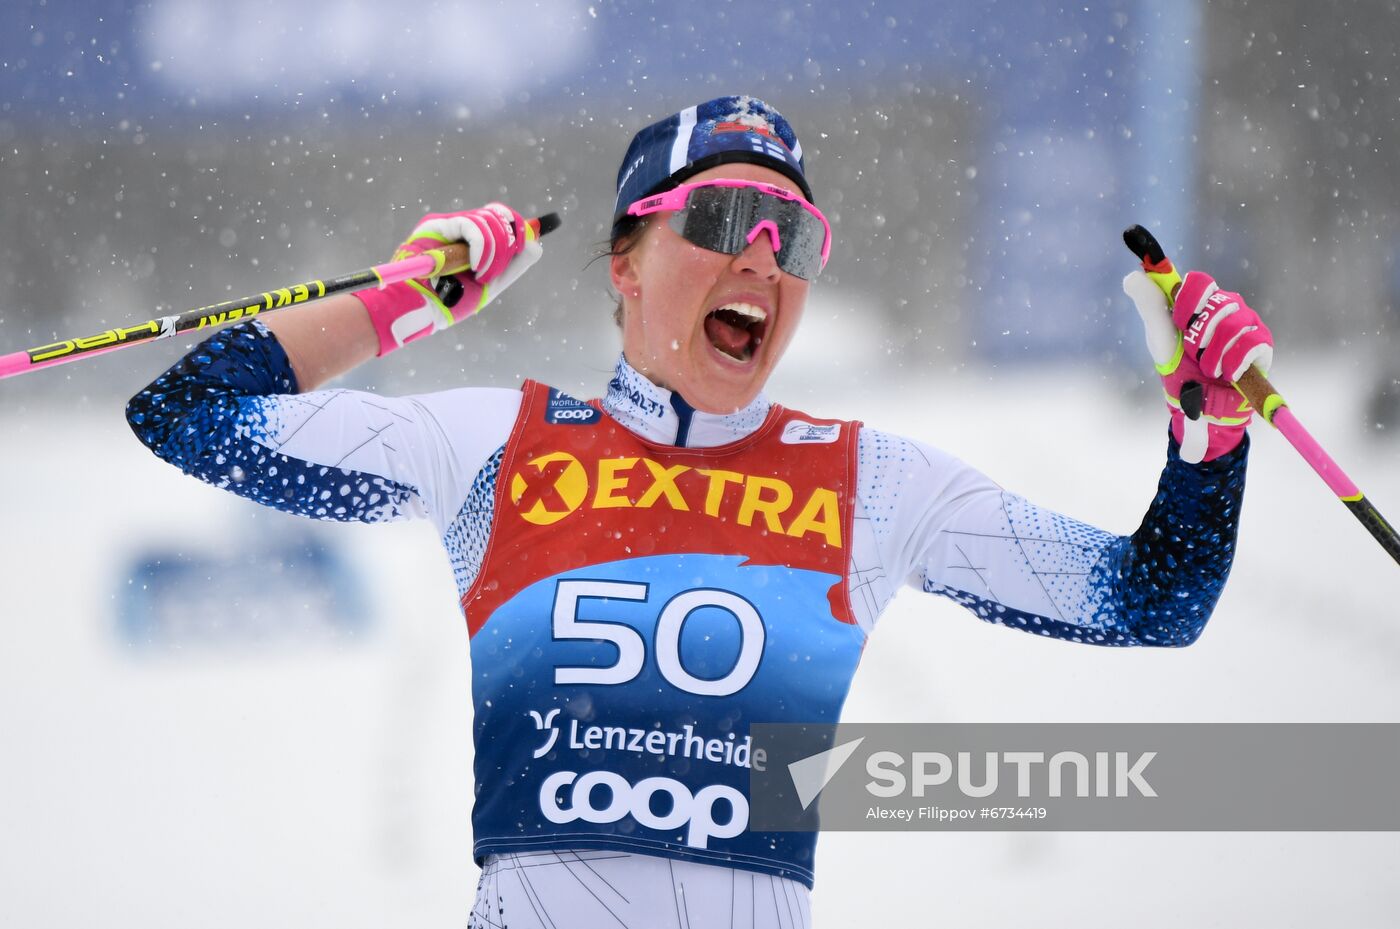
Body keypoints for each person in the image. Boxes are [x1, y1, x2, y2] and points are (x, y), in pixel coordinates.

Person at [126, 95, 1272, 928]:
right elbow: (187, 413)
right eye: (725, 221)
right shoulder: (493, 444)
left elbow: (1149, 600)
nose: (764, 260)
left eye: (795, 238)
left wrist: (1210, 430)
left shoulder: (870, 482)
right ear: (625, 259)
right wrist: (396, 304)